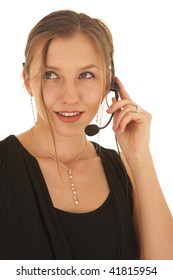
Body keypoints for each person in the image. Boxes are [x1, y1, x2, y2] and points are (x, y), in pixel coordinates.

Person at [0, 10, 173, 260]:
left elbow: (164, 270)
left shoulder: (127, 170)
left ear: (108, 84)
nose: (70, 97)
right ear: (27, 80)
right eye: (51, 75)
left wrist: (140, 157)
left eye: (86, 75)